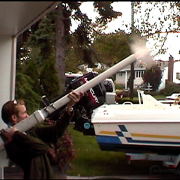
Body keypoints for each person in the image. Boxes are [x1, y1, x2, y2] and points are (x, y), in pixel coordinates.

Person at [0, 90, 84, 179]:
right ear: (14, 118)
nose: (28, 116)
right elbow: (41, 148)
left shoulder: (28, 132)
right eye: (24, 113)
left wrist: (69, 108)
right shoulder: (11, 143)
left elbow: (55, 133)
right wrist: (16, 135)